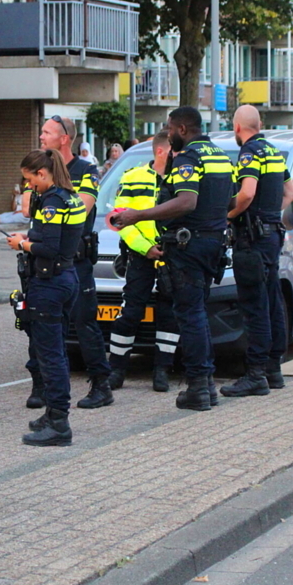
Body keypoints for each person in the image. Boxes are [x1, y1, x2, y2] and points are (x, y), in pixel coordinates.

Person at [113, 106, 233, 411]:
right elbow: (230, 199)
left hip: (189, 248)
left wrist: (137, 215)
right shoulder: (220, 156)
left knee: (188, 316)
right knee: (198, 313)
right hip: (213, 245)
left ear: (182, 129)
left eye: (170, 127)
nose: (168, 133)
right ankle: (206, 385)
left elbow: (187, 201)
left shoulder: (190, 158)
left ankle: (197, 387)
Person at [31, 115, 113, 409]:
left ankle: (101, 385)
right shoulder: (40, 171)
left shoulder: (86, 171)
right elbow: (32, 212)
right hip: (43, 259)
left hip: (75, 260)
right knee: (41, 322)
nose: (41, 137)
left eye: (46, 132)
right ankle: (42, 385)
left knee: (84, 322)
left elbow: (81, 208)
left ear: (64, 139)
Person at [5, 149, 86, 446]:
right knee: (56, 352)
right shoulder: (70, 196)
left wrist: (21, 244)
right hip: (66, 278)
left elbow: (49, 247)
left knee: (50, 356)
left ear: (43, 173)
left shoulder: (53, 201)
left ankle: (59, 424)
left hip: (50, 283)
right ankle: (52, 414)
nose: (29, 187)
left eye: (30, 180)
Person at [220, 105, 293, 398]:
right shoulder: (274, 152)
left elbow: (247, 192)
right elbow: (290, 193)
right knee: (272, 300)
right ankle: (274, 369)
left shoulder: (249, 152)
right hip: (272, 235)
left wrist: (229, 214)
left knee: (254, 305)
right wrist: (269, 216)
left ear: (237, 127)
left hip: (252, 239)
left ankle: (255, 374)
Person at [107, 130, 179, 392]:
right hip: (140, 256)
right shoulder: (133, 178)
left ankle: (162, 370)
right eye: (175, 149)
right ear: (161, 151)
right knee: (130, 313)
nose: (179, 155)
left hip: (172, 257)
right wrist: (146, 247)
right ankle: (116, 370)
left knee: (168, 315)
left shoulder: (181, 179)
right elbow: (119, 220)